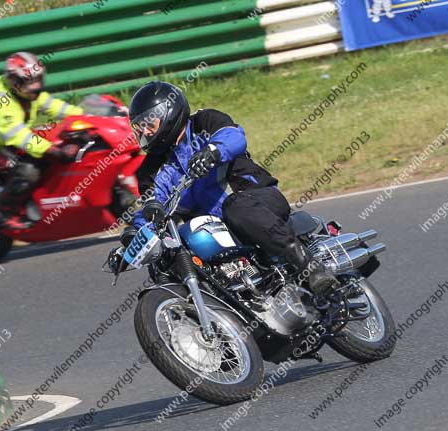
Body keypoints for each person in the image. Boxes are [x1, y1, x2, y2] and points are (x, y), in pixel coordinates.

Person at [126, 81, 338, 296]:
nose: (145, 131)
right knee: (166, 252)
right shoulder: (149, 170)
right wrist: (134, 235)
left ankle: (309, 266)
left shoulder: (205, 122)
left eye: (149, 123)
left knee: (235, 206)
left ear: (169, 113)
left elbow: (233, 137)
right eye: (139, 126)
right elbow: (152, 207)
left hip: (257, 200)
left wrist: (212, 152)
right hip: (216, 228)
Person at [0, 52, 83, 230]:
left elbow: (56, 107)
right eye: (30, 81)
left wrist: (88, 116)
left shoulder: (29, 93)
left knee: (50, 155)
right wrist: (54, 151)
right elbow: (20, 136)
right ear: (15, 81)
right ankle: (3, 209)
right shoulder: (1, 101)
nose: (36, 86)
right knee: (28, 171)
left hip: (9, 143)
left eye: (39, 79)